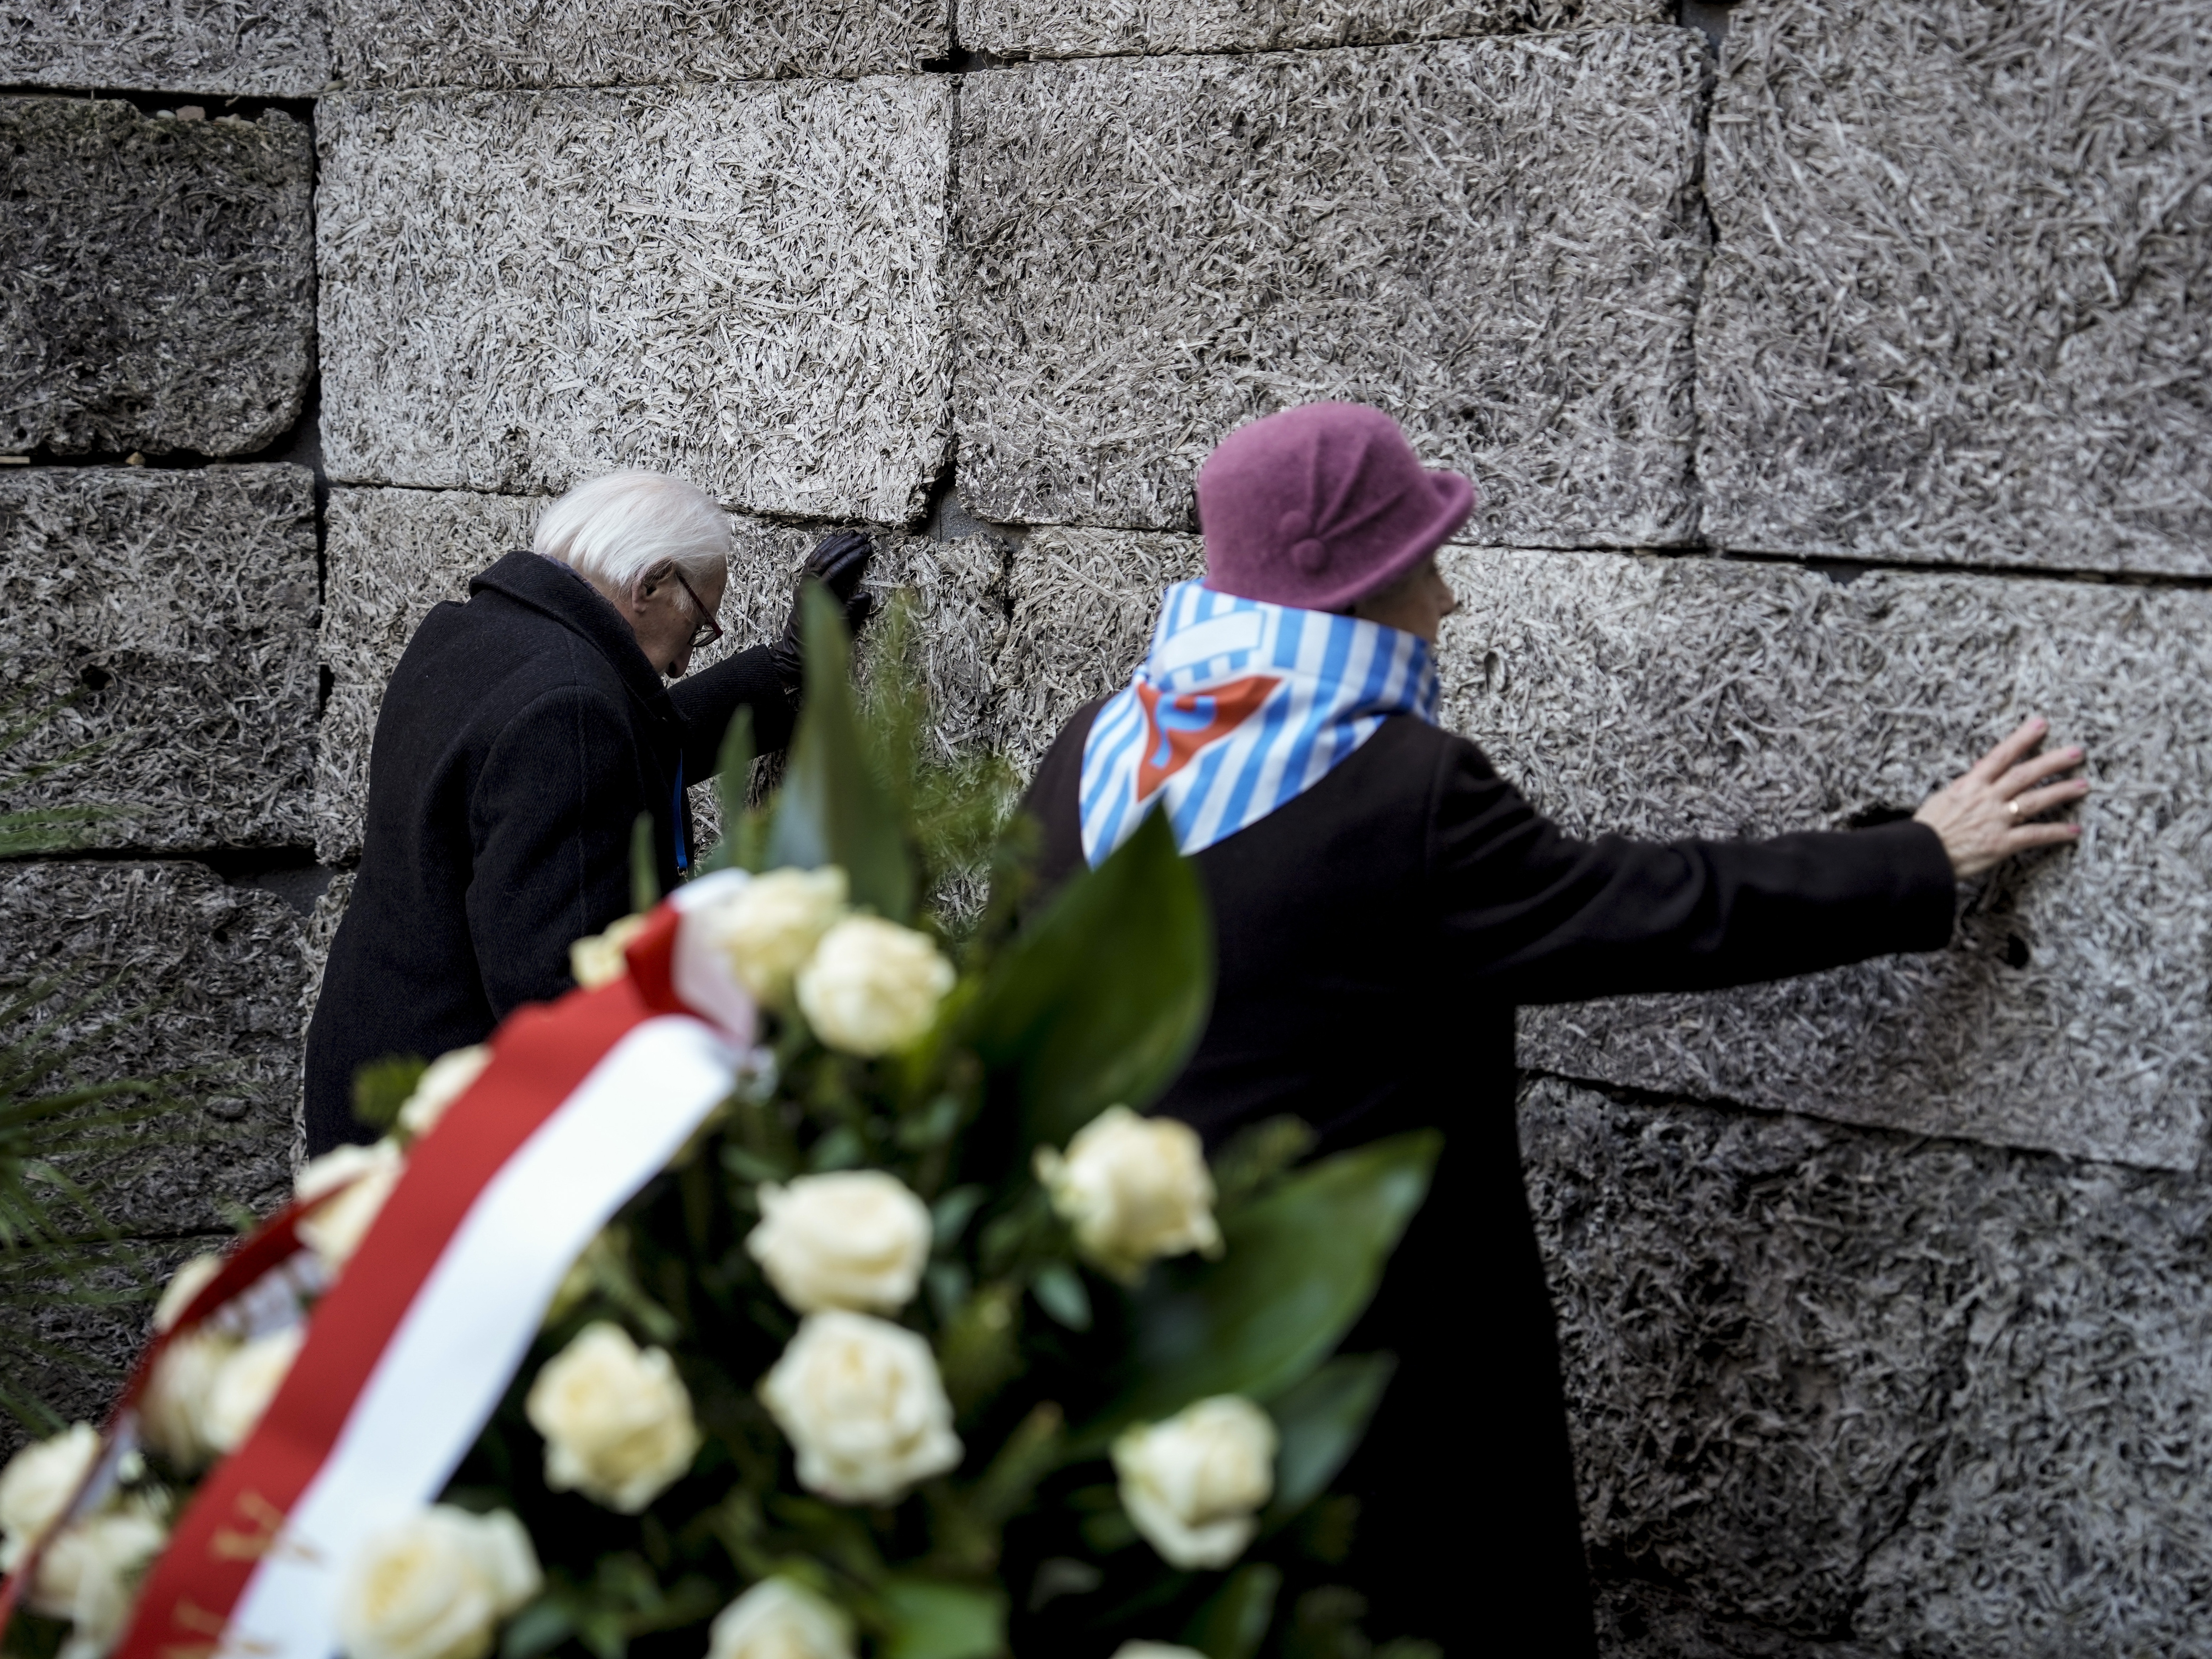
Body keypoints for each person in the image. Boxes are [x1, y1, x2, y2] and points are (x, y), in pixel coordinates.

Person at [1018, 403, 2087, 1651]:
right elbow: (1646, 911)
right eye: (1426, 561)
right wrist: (1915, 856)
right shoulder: (1400, 791)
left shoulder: (1087, 754)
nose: (1448, 600)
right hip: (1370, 1383)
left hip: (1129, 1357)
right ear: (1362, 589)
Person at [304, 470, 873, 1156]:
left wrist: (788, 667)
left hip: (372, 1070)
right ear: (652, 585)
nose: (685, 659)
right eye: (700, 621)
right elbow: (559, 994)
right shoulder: (568, 710)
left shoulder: (472, 638)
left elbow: (629, 743)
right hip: (447, 1133)